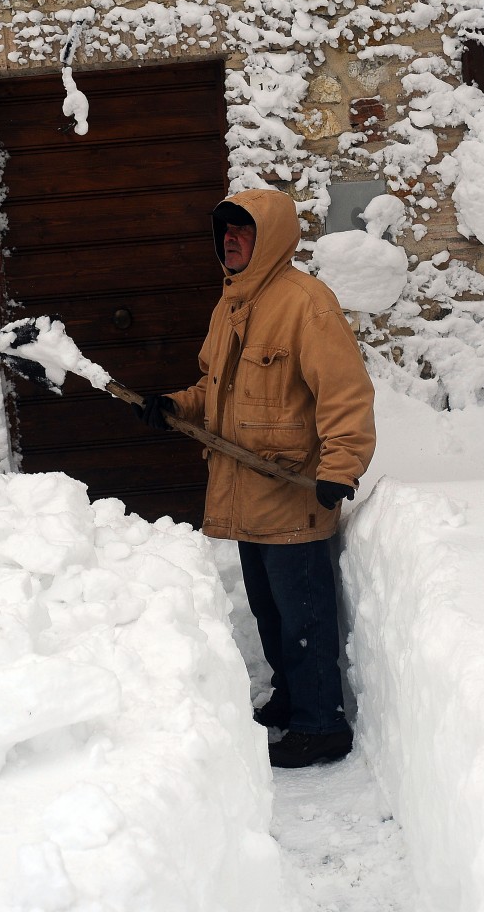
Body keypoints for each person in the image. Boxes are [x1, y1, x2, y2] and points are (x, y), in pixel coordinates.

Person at [137, 188, 376, 768]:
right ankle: (292, 700)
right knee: (272, 613)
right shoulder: (230, 307)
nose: (231, 240)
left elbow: (346, 394)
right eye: (224, 231)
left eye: (243, 231)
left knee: (304, 618)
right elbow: (212, 391)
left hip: (292, 491)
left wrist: (339, 469)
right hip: (245, 489)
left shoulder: (307, 304)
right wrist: (175, 405)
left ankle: (321, 725)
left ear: (270, 238)